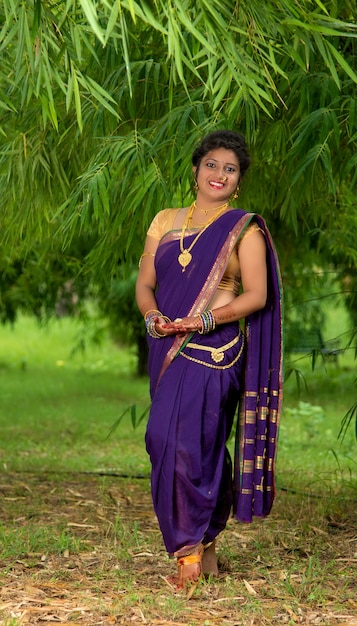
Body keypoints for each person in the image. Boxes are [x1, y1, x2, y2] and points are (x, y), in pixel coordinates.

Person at [135, 130, 283, 588]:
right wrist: (153, 315)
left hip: (215, 350)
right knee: (163, 440)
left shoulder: (245, 227)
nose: (219, 174)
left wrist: (202, 321)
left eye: (230, 168)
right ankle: (205, 539)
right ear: (196, 170)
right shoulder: (164, 220)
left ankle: (189, 555)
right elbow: (144, 285)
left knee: (190, 444)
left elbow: (257, 296)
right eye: (212, 165)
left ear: (238, 182)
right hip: (169, 346)